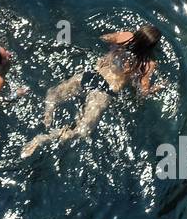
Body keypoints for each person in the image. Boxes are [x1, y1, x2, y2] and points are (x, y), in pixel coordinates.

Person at [21, 24, 163, 158]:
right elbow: (143, 92)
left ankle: (47, 116)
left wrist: (112, 49)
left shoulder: (125, 36)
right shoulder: (148, 64)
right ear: (151, 47)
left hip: (90, 76)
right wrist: (159, 87)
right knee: (82, 131)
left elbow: (104, 37)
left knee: (52, 94)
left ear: (138, 34)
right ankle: (43, 139)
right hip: (104, 91)